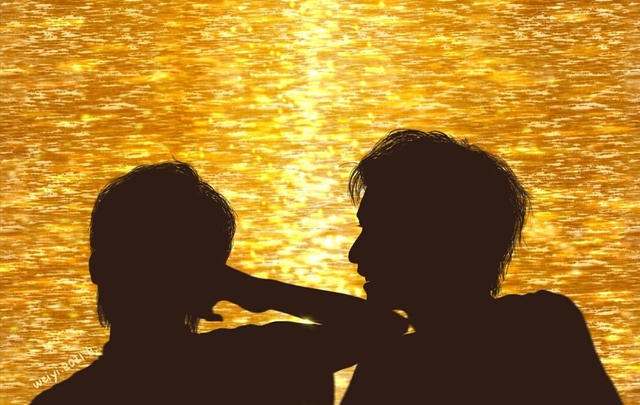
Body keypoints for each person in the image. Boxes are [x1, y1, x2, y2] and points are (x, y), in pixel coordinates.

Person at [31, 160, 406, 405]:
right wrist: (252, 291)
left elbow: (384, 327)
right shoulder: (267, 359)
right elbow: (382, 326)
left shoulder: (67, 401)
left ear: (98, 267)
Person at [340, 129, 622, 404]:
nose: (356, 253)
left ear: (438, 239)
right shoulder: (545, 327)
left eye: (380, 231)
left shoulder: (542, 328)